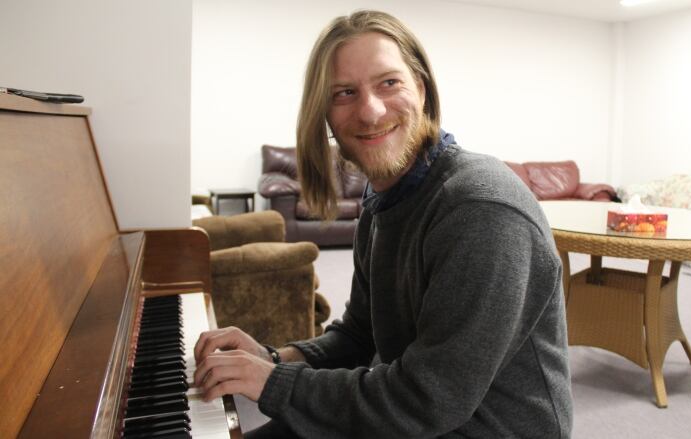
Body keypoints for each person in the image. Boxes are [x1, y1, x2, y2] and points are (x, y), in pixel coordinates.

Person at [194, 10, 573, 438]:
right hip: (415, 412)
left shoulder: (481, 210)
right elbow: (360, 335)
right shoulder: (381, 201)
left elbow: (429, 399)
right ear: (325, 115)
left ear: (422, 91)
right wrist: (274, 359)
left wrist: (270, 382)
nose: (370, 111)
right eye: (344, 93)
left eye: (388, 83)